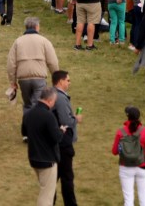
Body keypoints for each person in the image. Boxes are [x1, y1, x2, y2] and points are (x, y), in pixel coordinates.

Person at [8, 17, 60, 128]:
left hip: (23, 79)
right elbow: (53, 61)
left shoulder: (18, 41)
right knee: (37, 105)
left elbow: (11, 64)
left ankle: (26, 130)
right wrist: (56, 78)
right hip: (39, 78)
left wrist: (13, 81)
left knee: (27, 105)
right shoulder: (44, 41)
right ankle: (34, 130)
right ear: (37, 27)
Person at [22, 87, 63, 206]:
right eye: (54, 101)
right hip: (47, 160)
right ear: (50, 100)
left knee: (44, 189)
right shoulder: (48, 116)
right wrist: (61, 130)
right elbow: (57, 138)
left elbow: (24, 133)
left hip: (33, 158)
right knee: (46, 196)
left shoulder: (28, 114)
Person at [112, 106, 145, 206]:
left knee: (128, 199)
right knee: (144, 198)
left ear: (127, 117)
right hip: (142, 167)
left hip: (125, 167)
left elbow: (114, 151)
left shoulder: (120, 132)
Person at [51, 71, 79, 206]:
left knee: (52, 179)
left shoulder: (51, 93)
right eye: (68, 80)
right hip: (63, 144)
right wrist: (75, 119)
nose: (69, 83)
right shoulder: (61, 98)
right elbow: (65, 120)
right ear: (60, 81)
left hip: (54, 143)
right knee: (67, 178)